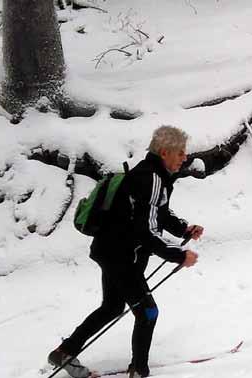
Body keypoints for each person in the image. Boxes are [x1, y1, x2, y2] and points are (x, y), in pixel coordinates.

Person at [49, 125, 204, 378]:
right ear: (165, 152)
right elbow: (147, 230)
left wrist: (184, 229)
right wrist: (178, 255)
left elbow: (156, 212)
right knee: (148, 311)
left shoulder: (151, 175)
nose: (184, 158)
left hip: (109, 250)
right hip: (122, 256)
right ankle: (139, 371)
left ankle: (64, 352)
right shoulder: (152, 178)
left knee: (112, 307)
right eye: (180, 153)